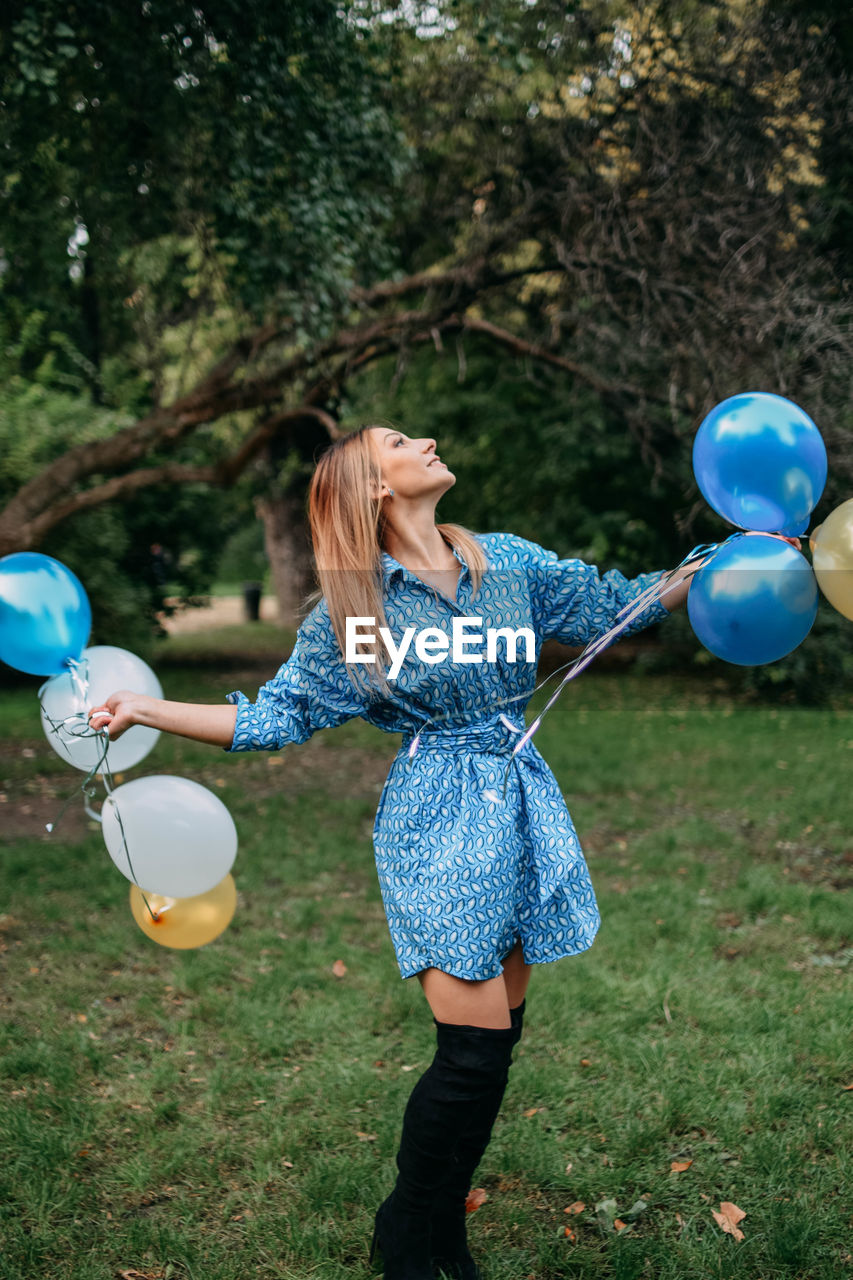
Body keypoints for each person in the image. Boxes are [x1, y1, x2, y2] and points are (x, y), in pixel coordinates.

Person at [89, 425, 701, 1280]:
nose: (430, 440)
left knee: (495, 1045)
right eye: (402, 441)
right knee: (472, 1049)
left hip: (518, 804)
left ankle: (436, 1229)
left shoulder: (506, 565)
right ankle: (410, 1228)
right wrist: (149, 710)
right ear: (374, 487)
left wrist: (715, 568)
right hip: (434, 820)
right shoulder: (356, 609)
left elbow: (617, 606)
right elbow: (274, 718)